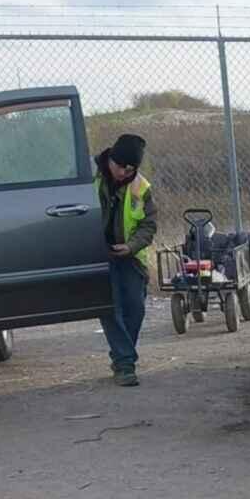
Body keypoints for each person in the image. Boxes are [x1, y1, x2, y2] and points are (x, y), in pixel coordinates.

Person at [93, 133, 157, 387]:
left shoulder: (141, 187)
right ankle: (125, 363)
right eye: (121, 167)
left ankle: (121, 355)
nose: (124, 173)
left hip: (130, 257)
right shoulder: (90, 178)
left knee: (135, 309)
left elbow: (148, 225)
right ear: (111, 159)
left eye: (131, 169)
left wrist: (130, 246)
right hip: (98, 255)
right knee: (111, 308)